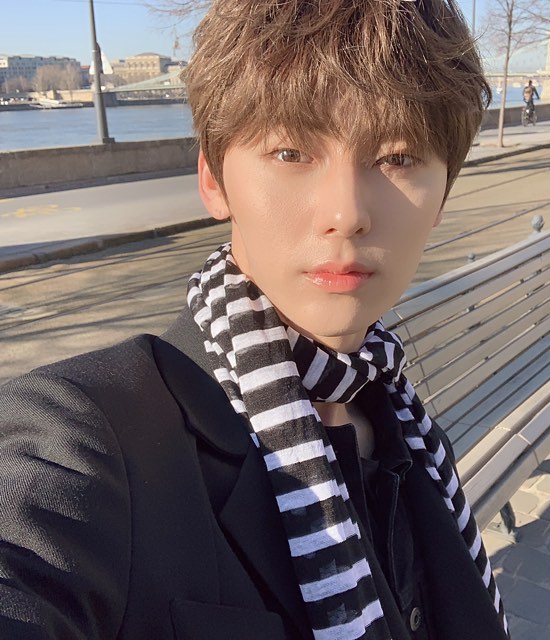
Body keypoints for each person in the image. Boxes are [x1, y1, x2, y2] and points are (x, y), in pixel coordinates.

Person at [0, 1, 510, 639]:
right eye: (291, 151)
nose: (347, 214)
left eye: (399, 157)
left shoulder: (400, 418)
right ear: (214, 181)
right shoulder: (89, 439)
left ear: (443, 196)